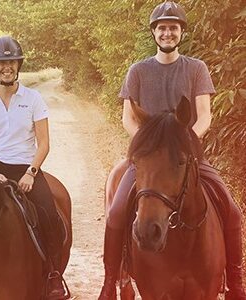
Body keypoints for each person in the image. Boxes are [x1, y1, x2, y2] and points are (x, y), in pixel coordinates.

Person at [98, 2, 246, 300]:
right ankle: (110, 280)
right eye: (162, 28)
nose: (168, 33)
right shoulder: (137, 71)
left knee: (231, 209)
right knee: (116, 212)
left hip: (187, 154)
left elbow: (204, 114)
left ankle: (235, 282)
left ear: (181, 33)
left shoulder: (196, 68)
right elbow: (128, 116)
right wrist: (149, 144)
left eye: (173, 28)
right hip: (149, 157)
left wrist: (183, 140)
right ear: (154, 33)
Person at [0, 35, 70, 300]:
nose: (7, 67)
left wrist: (31, 173)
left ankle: (53, 275)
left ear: (18, 65)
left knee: (49, 215)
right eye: (1, 62)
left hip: (26, 167)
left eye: (11, 61)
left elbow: (44, 143)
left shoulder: (34, 98)